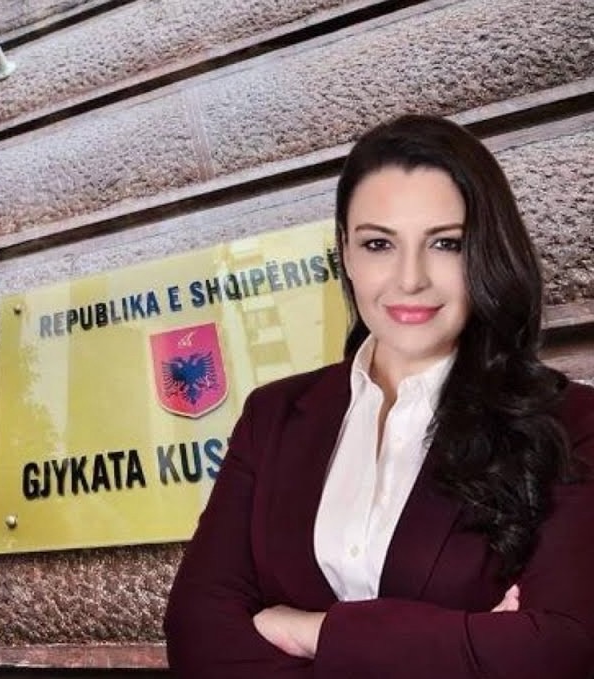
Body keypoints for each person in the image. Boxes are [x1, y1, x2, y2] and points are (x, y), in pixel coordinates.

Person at [163, 114, 594, 678]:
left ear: (485, 252)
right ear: (345, 252)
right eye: (378, 244)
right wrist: (462, 643)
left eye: (445, 243)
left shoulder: (572, 422)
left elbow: (559, 651)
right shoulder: (273, 417)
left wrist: (312, 632)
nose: (410, 279)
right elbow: (196, 632)